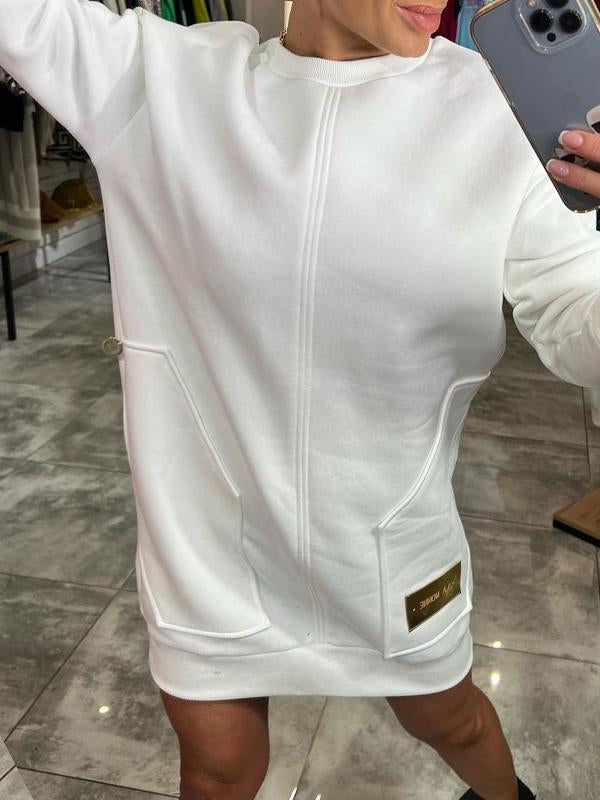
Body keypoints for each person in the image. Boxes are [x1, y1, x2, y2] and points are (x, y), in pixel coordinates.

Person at [2, 2, 600, 800]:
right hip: (209, 554)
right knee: (218, 771)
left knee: (453, 723)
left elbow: (576, 322)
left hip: (389, 546)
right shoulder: (158, 82)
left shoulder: (499, 110)